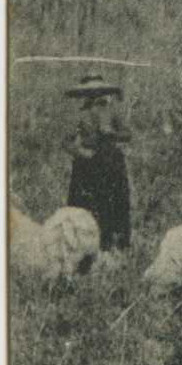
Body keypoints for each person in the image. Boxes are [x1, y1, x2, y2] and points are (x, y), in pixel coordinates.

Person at [64, 74, 132, 251]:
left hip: (111, 162)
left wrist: (112, 133)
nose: (94, 95)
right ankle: (84, 246)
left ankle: (113, 244)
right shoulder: (79, 114)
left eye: (97, 91)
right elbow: (66, 142)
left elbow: (128, 134)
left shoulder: (112, 111)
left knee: (115, 203)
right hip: (86, 165)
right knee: (84, 205)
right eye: (89, 92)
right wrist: (80, 152)